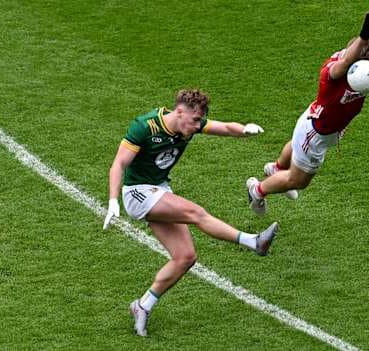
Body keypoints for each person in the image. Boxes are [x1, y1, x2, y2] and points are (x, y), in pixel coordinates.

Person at [103, 89, 279, 337]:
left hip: (160, 188)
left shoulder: (189, 124)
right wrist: (113, 200)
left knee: (185, 257)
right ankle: (254, 242)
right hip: (138, 193)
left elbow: (225, 128)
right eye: (195, 120)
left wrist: (243, 130)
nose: (198, 126)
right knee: (196, 212)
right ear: (180, 112)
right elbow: (119, 163)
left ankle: (142, 305)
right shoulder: (145, 127)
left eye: (200, 121)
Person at [246, 10, 369, 215]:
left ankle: (276, 169)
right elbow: (344, 64)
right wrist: (364, 36)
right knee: (298, 181)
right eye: (365, 52)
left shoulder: (363, 64)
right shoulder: (333, 71)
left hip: (316, 122)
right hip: (317, 134)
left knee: (295, 144)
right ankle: (257, 191)